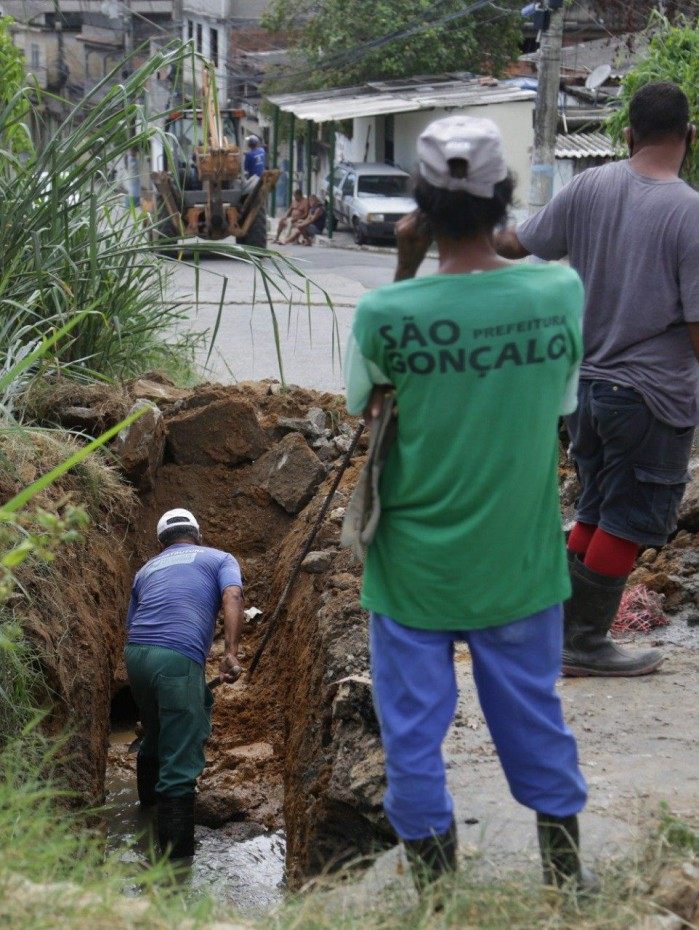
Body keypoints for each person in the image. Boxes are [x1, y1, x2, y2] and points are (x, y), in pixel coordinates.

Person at [345, 115, 595, 892]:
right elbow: (561, 401)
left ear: (418, 209)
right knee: (532, 717)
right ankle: (566, 883)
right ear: (503, 197)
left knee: (412, 735)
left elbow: (365, 399)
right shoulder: (558, 291)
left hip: (411, 569)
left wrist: (404, 270)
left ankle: (437, 898)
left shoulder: (386, 313)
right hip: (517, 559)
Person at [495, 82, 699, 678]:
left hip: (583, 390)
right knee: (626, 520)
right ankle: (583, 642)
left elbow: (516, 243)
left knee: (595, 509)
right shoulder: (689, 212)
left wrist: (463, 218)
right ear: (689, 137)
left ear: (628, 135)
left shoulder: (589, 186)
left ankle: (557, 634)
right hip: (649, 396)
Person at [124, 508, 244, 859]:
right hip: (178, 657)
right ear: (198, 534)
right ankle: (175, 869)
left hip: (136, 656)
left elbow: (132, 625)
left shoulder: (146, 569)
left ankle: (146, 814)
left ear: (161, 543)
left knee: (154, 732)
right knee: (180, 757)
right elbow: (233, 597)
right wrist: (230, 653)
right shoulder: (220, 558)